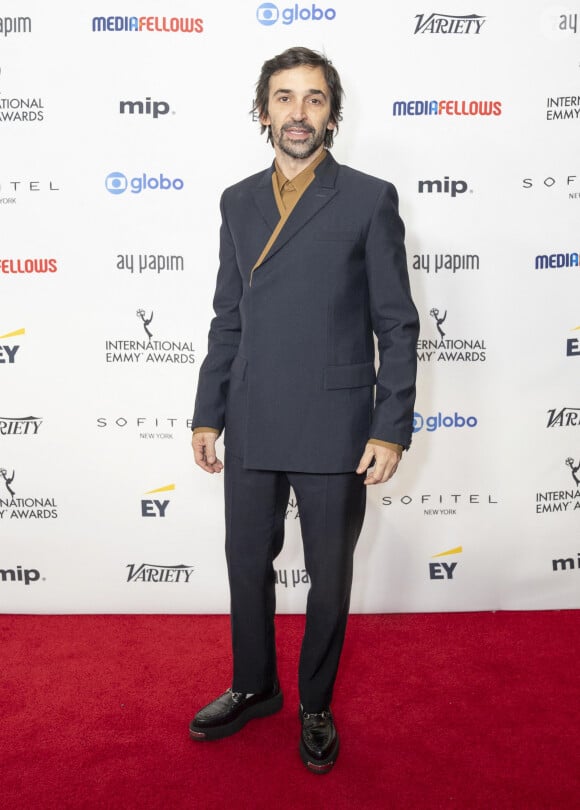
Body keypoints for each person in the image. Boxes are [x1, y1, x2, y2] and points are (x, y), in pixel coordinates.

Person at [189, 46, 419, 774]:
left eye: (313, 99)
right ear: (264, 112)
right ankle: (254, 684)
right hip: (253, 413)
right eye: (284, 98)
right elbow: (229, 316)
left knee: (329, 571)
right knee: (245, 562)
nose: (298, 112)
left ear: (332, 114)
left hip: (336, 420)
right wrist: (207, 412)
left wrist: (390, 426)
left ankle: (314, 704)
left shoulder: (368, 197)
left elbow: (397, 324)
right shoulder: (235, 200)